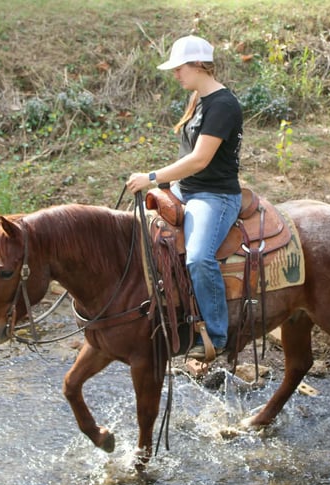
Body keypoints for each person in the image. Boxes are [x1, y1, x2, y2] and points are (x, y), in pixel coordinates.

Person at [126, 35, 243, 360]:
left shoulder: (223, 105)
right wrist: (163, 186)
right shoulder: (198, 98)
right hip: (185, 190)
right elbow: (187, 156)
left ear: (199, 65)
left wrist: (151, 178)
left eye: (180, 68)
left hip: (214, 196)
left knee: (198, 258)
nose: (176, 74)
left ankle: (216, 336)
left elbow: (199, 160)